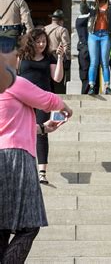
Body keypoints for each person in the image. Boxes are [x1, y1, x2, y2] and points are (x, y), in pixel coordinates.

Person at [0, 74, 72, 263]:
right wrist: (64, 107)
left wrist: (41, 129)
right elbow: (47, 100)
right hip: (15, 157)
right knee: (30, 225)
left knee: (3, 226)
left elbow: (10, 123)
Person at [17, 28, 65, 184]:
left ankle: (42, 172)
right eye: (38, 41)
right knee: (22, 132)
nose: (42, 44)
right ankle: (23, 168)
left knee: (41, 133)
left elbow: (57, 78)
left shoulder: (49, 57)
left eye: (44, 41)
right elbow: (12, 75)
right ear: (31, 42)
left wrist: (59, 58)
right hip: (23, 100)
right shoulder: (22, 56)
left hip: (43, 100)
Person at [80, 0, 111, 95]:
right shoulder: (92, 5)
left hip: (105, 35)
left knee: (105, 62)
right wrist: (83, 1)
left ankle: (107, 87)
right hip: (93, 35)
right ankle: (92, 87)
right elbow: (83, 10)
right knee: (94, 62)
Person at [44, 9, 71, 94]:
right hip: (57, 57)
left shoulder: (44, 29)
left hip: (45, 57)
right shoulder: (62, 30)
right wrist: (67, 58)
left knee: (47, 81)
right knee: (58, 82)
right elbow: (66, 46)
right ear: (61, 20)